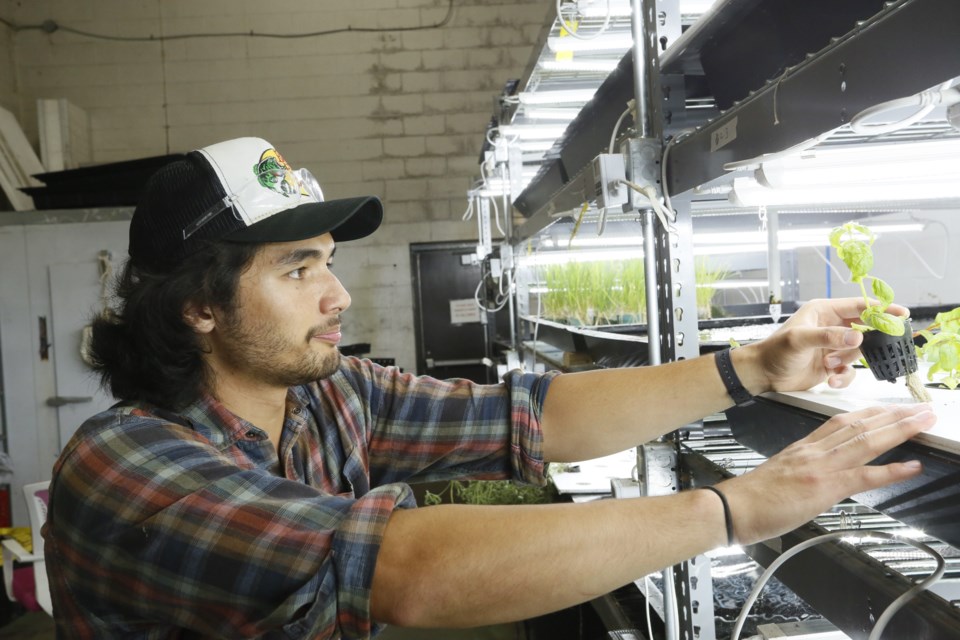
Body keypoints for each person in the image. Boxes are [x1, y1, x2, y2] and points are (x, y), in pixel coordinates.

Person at [43, 136, 936, 640]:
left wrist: (748, 368)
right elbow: (403, 573)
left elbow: (533, 419)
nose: (337, 294)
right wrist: (737, 509)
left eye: (329, 262)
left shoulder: (326, 395)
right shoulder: (126, 466)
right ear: (199, 304)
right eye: (296, 269)